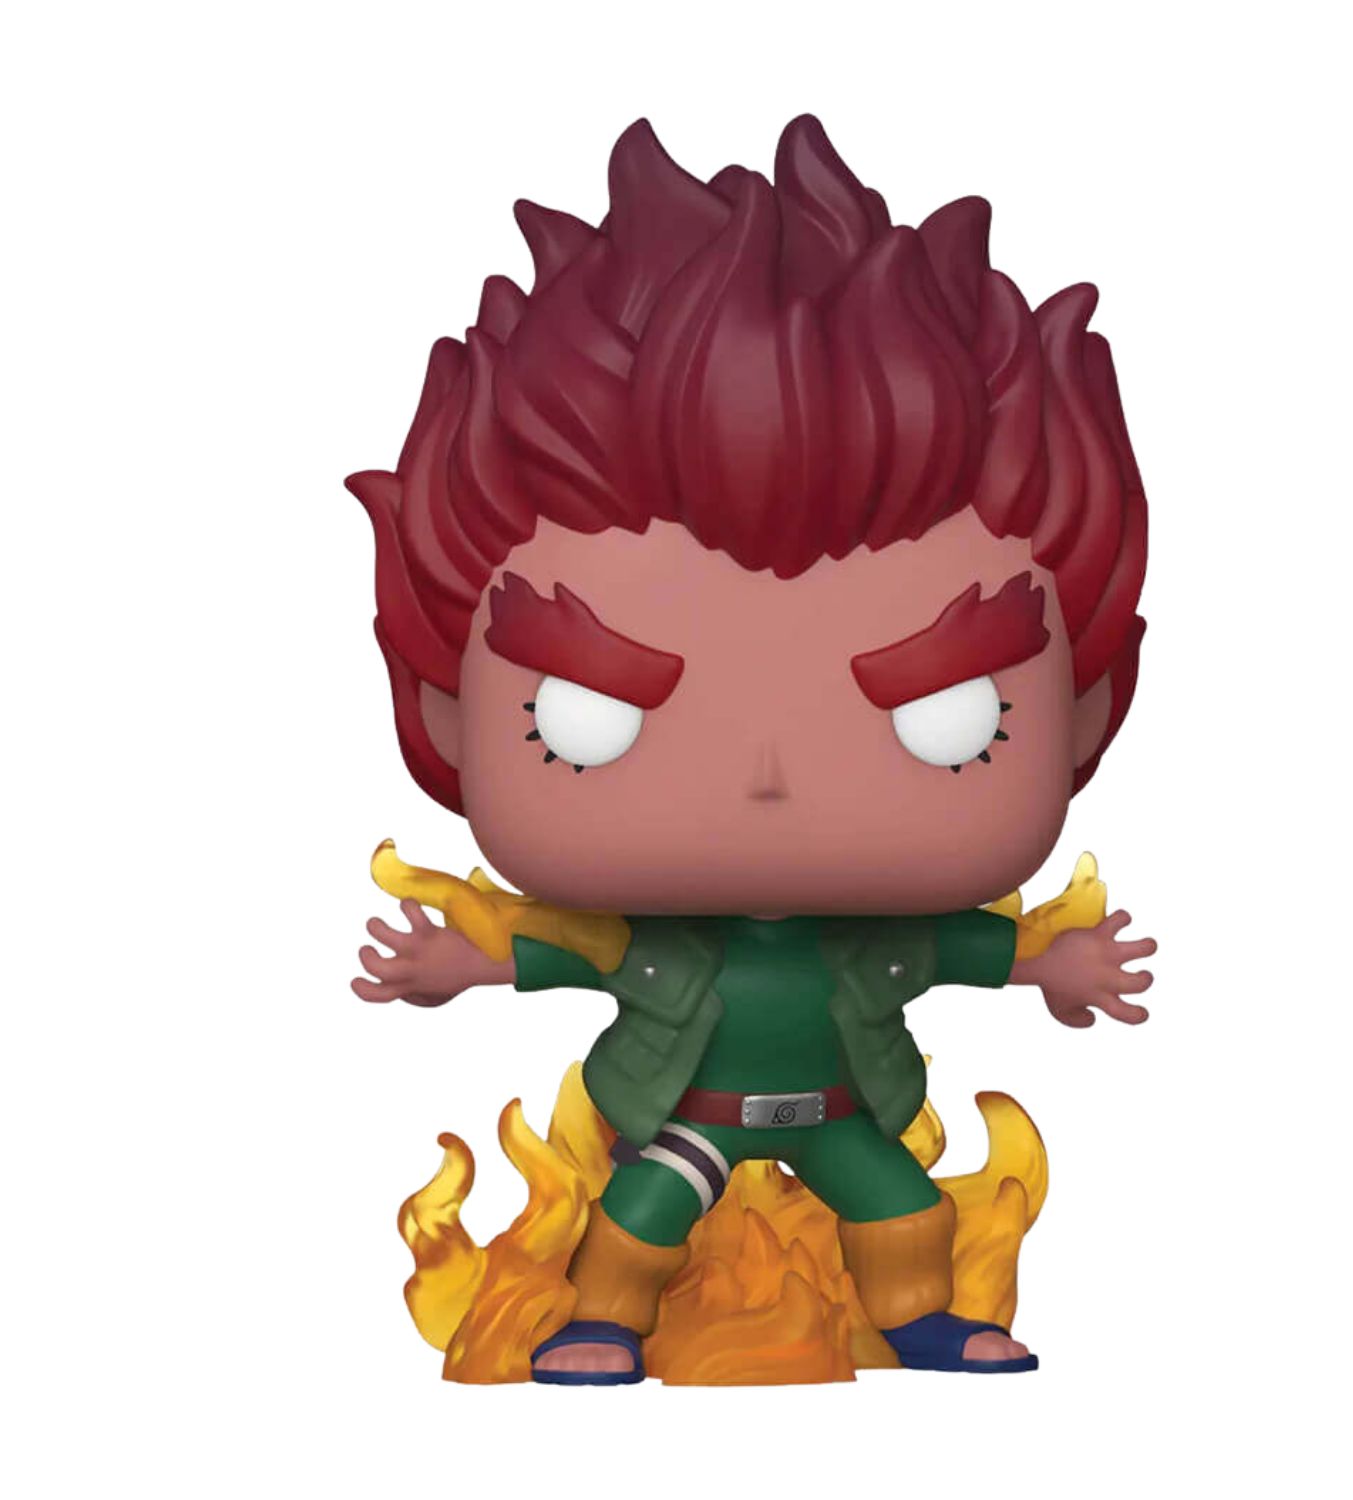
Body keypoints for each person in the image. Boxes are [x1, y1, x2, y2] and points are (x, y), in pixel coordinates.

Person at [349, 115, 1156, 1384]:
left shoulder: (880, 940)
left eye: (948, 720)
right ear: (447, 714)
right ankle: (604, 1320)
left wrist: (1057, 965)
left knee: (908, 1212)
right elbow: (556, 954)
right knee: (638, 1217)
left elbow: (974, 950)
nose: (768, 777)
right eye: (585, 720)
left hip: (843, 1114)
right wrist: (461, 961)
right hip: (690, 1120)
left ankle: (921, 1318)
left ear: (1086, 714)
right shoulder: (651, 941)